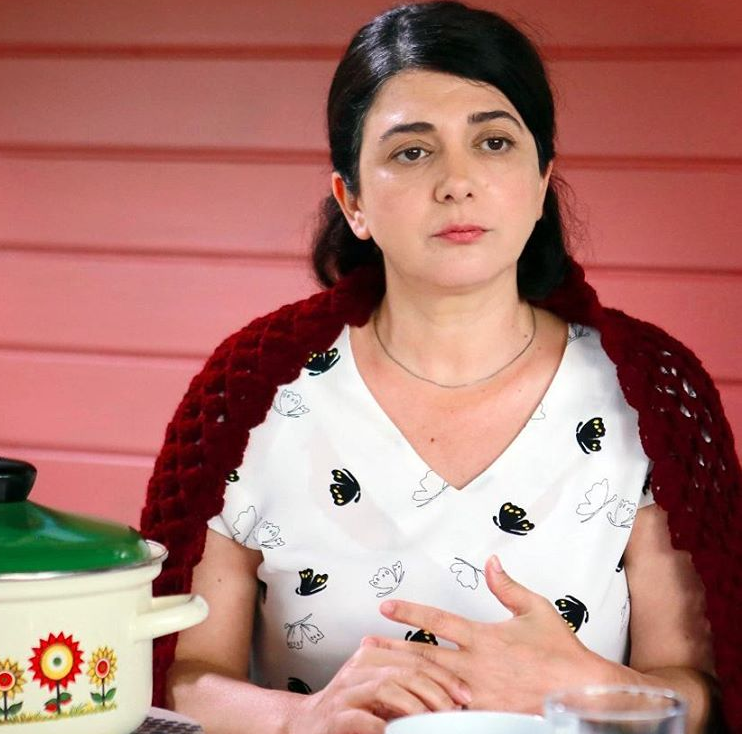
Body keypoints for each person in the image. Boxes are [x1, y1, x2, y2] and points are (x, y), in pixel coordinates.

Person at [140, 3, 741, 733]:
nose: (458, 181)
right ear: (353, 201)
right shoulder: (251, 395)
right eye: (412, 152)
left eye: (494, 142)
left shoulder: (650, 393)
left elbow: (702, 691)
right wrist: (305, 719)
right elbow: (178, 677)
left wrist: (588, 685)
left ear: (542, 179)